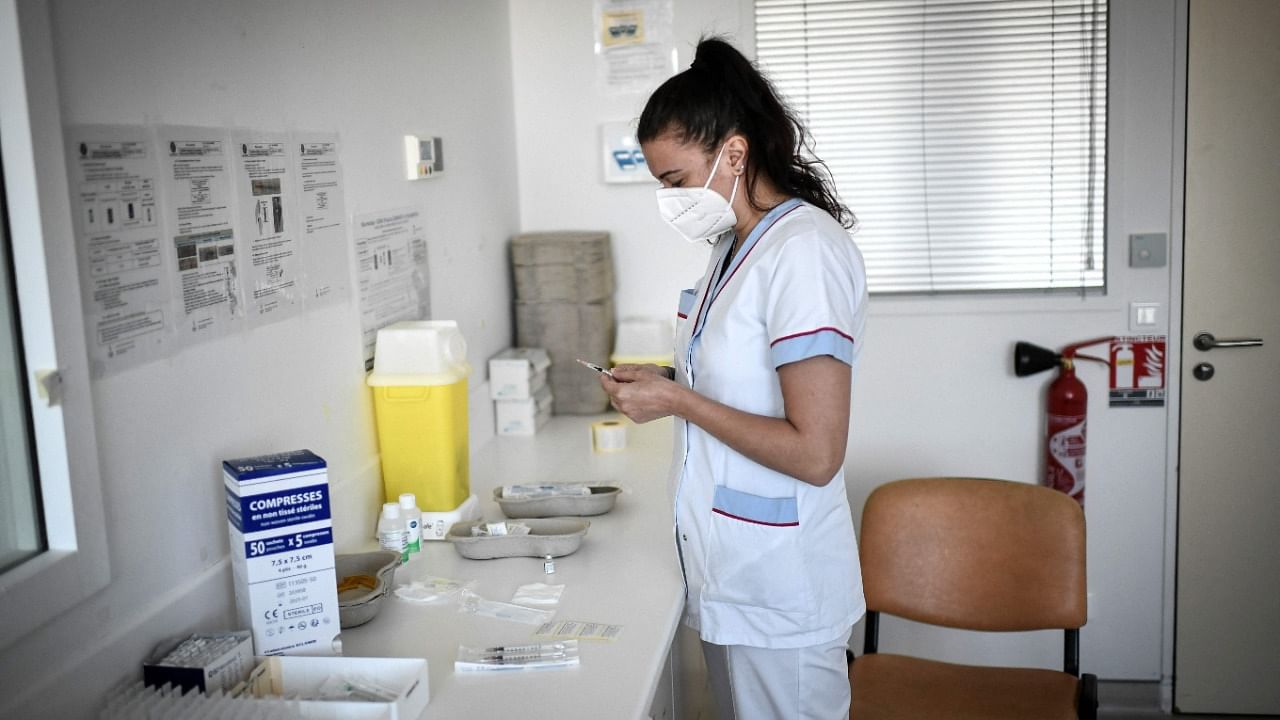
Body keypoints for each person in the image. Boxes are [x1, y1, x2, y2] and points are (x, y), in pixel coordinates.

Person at [599, 36, 868, 720]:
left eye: (675, 181)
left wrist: (680, 401)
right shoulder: (733, 246)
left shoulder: (803, 251)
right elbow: (738, 376)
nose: (669, 201)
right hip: (734, 570)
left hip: (781, 584)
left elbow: (815, 453)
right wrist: (665, 380)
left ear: (736, 154)